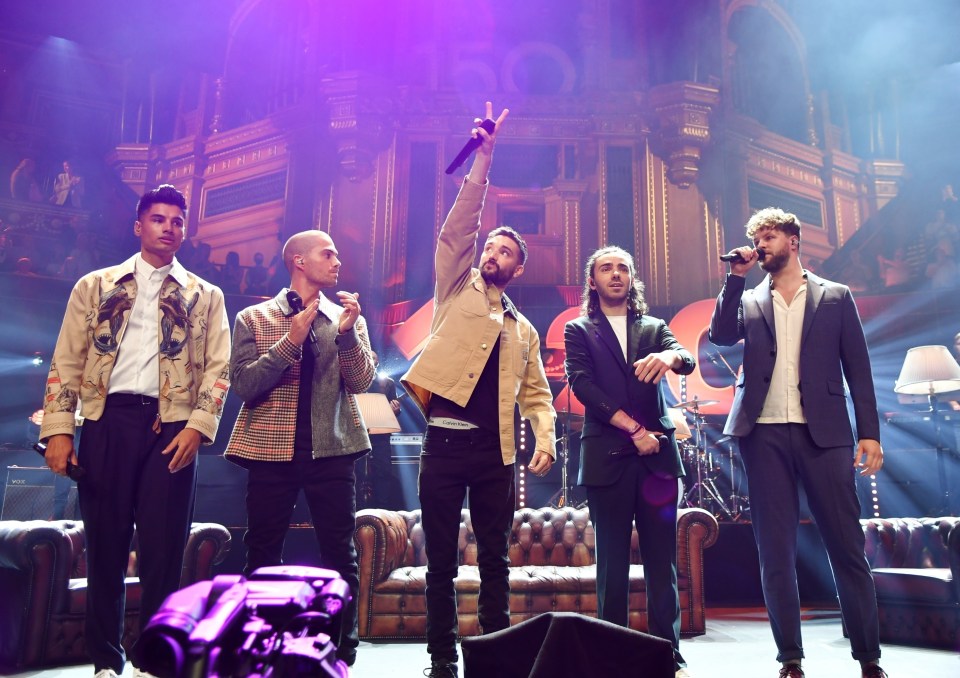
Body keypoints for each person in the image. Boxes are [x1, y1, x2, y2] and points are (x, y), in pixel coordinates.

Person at [38, 184, 231, 678]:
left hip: (171, 427)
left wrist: (198, 427)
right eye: (159, 218)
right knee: (104, 546)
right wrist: (60, 430)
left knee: (164, 551)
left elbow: (218, 369)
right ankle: (106, 662)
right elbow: (67, 359)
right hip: (107, 423)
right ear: (138, 225)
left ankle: (153, 661)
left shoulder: (205, 296)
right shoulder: (95, 285)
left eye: (177, 221)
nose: (169, 227)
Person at [400, 102, 556, 678]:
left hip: (495, 454)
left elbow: (538, 394)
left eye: (505, 253)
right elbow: (458, 227)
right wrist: (483, 159)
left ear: (517, 269)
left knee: (495, 560)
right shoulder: (455, 291)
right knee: (440, 561)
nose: (492, 254)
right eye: (490, 247)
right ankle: (441, 659)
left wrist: (545, 436)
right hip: (442, 445)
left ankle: (494, 658)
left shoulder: (524, 329)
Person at [708, 207, 887, 678]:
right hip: (762, 433)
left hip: (824, 434)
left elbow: (859, 369)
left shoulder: (836, 295)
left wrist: (869, 432)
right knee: (775, 551)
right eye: (756, 238)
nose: (761, 244)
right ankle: (790, 658)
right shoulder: (748, 298)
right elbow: (721, 336)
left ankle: (868, 657)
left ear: (793, 239)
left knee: (846, 547)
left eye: (768, 236)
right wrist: (734, 279)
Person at [224, 228, 376, 668]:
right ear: (299, 261)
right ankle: (262, 654)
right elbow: (245, 386)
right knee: (263, 552)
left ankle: (339, 653)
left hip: (333, 450)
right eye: (327, 254)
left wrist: (346, 335)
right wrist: (291, 340)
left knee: (339, 555)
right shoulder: (254, 318)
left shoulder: (349, 318)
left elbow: (363, 383)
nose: (337, 262)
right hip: (271, 454)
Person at [563, 245, 695, 678]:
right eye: (606, 268)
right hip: (607, 457)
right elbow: (582, 386)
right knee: (612, 564)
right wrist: (634, 430)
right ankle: (612, 654)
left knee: (663, 563)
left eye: (623, 268)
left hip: (657, 462)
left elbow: (687, 359)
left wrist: (669, 356)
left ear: (632, 279)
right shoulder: (578, 329)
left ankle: (666, 654)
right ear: (593, 281)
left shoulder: (655, 327)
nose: (615, 274)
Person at [358, 349, 405, 510]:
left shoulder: (387, 383)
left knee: (383, 471)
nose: (373, 363)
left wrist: (396, 410)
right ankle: (356, 510)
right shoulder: (353, 379)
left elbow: (394, 409)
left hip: (381, 434)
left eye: (375, 361)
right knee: (355, 473)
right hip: (357, 433)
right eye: (370, 359)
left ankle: (382, 510)